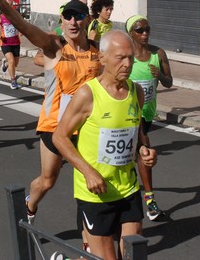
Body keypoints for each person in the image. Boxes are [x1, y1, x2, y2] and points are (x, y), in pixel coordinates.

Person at [0, 0, 100, 226]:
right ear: (62, 19)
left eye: (78, 16)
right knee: (48, 180)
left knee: (89, 178)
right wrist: (2, 4)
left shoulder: (97, 51)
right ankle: (30, 204)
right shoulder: (55, 46)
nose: (72, 21)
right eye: (67, 16)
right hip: (55, 125)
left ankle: (92, 238)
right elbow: (26, 28)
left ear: (87, 20)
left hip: (87, 126)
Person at [52, 30, 157, 260]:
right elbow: (59, 137)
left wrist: (144, 150)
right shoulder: (88, 95)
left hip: (127, 188)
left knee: (133, 255)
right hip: (95, 194)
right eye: (120, 57)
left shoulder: (136, 92)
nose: (128, 64)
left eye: (131, 57)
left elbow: (137, 133)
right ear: (103, 58)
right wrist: (88, 172)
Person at [126, 14, 173, 221]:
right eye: (139, 30)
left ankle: (137, 193)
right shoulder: (126, 56)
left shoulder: (158, 53)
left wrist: (159, 76)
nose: (145, 34)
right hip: (128, 114)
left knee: (137, 153)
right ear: (130, 33)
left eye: (147, 29)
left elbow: (169, 82)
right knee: (144, 150)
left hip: (147, 113)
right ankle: (150, 201)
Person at [0, 0, 22, 89]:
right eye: (8, 5)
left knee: (15, 63)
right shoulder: (0, 18)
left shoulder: (17, 16)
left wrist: (22, 31)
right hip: (5, 43)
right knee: (11, 61)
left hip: (16, 42)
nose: (10, 7)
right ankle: (13, 80)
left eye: (11, 5)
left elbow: (21, 25)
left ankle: (5, 64)